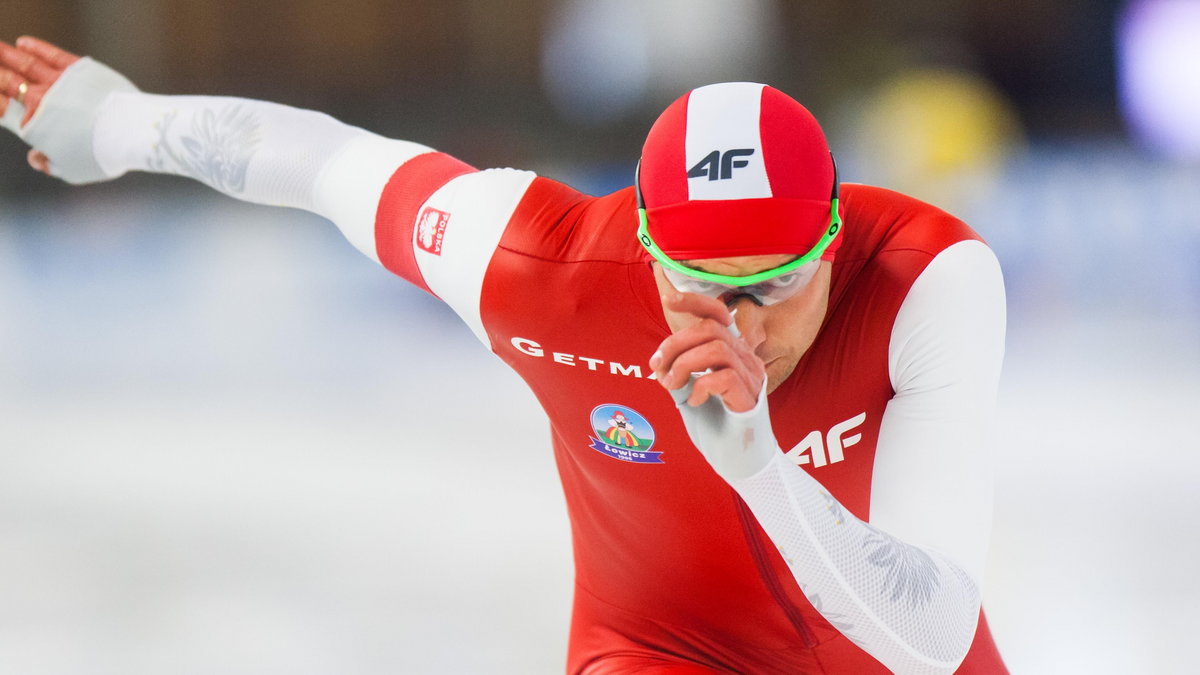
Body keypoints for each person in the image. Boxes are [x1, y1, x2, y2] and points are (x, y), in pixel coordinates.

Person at [0, 36, 1008, 674]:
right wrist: (124, 124)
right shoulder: (533, 262)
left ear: (836, 238)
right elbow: (331, 163)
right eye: (700, 285)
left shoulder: (930, 279)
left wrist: (761, 471)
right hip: (660, 652)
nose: (741, 328)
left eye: (780, 282)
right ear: (643, 245)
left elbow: (927, 640)